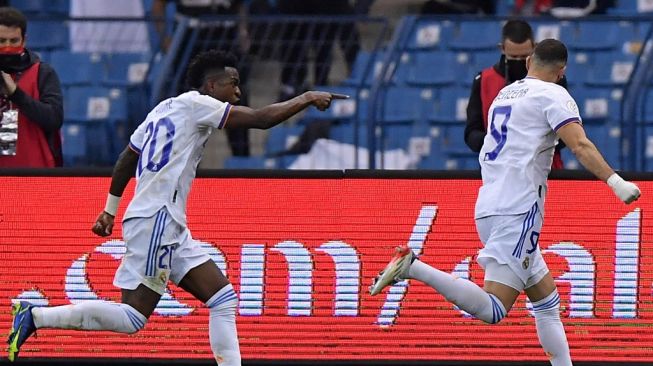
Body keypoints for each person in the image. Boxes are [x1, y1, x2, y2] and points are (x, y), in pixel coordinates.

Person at [7, 50, 343, 365]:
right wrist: (306, 98)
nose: (238, 92)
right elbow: (261, 119)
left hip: (164, 222)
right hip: (157, 220)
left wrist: (111, 208)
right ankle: (35, 317)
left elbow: (128, 156)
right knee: (133, 317)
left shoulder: (164, 108)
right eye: (234, 84)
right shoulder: (199, 104)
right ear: (212, 86)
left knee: (223, 299)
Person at [370, 39, 641, 366]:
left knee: (547, 302)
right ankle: (414, 267)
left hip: (489, 203)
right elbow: (580, 145)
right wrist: (614, 181)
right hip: (519, 208)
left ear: (528, 62)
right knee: (495, 309)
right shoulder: (555, 95)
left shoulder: (506, 93)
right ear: (562, 71)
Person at [152, 0, 251, 157]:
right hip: (191, 37)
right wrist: (165, 40)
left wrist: (243, 31)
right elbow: (158, 5)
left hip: (226, 36)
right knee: (187, 105)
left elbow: (240, 6)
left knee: (236, 100)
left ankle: (241, 161)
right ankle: (186, 164)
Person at [465, 19, 567, 169]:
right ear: (502, 48)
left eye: (524, 56)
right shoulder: (484, 80)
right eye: (513, 57)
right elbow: (471, 134)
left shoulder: (553, 79)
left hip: (545, 169)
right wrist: (499, 142)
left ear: (534, 47)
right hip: (498, 170)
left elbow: (566, 132)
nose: (519, 62)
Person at [0, 7, 63, 167]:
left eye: (14, 41)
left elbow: (54, 119)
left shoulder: (42, 72)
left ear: (24, 40)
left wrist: (16, 93)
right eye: (1, 41)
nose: (7, 47)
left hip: (34, 173)